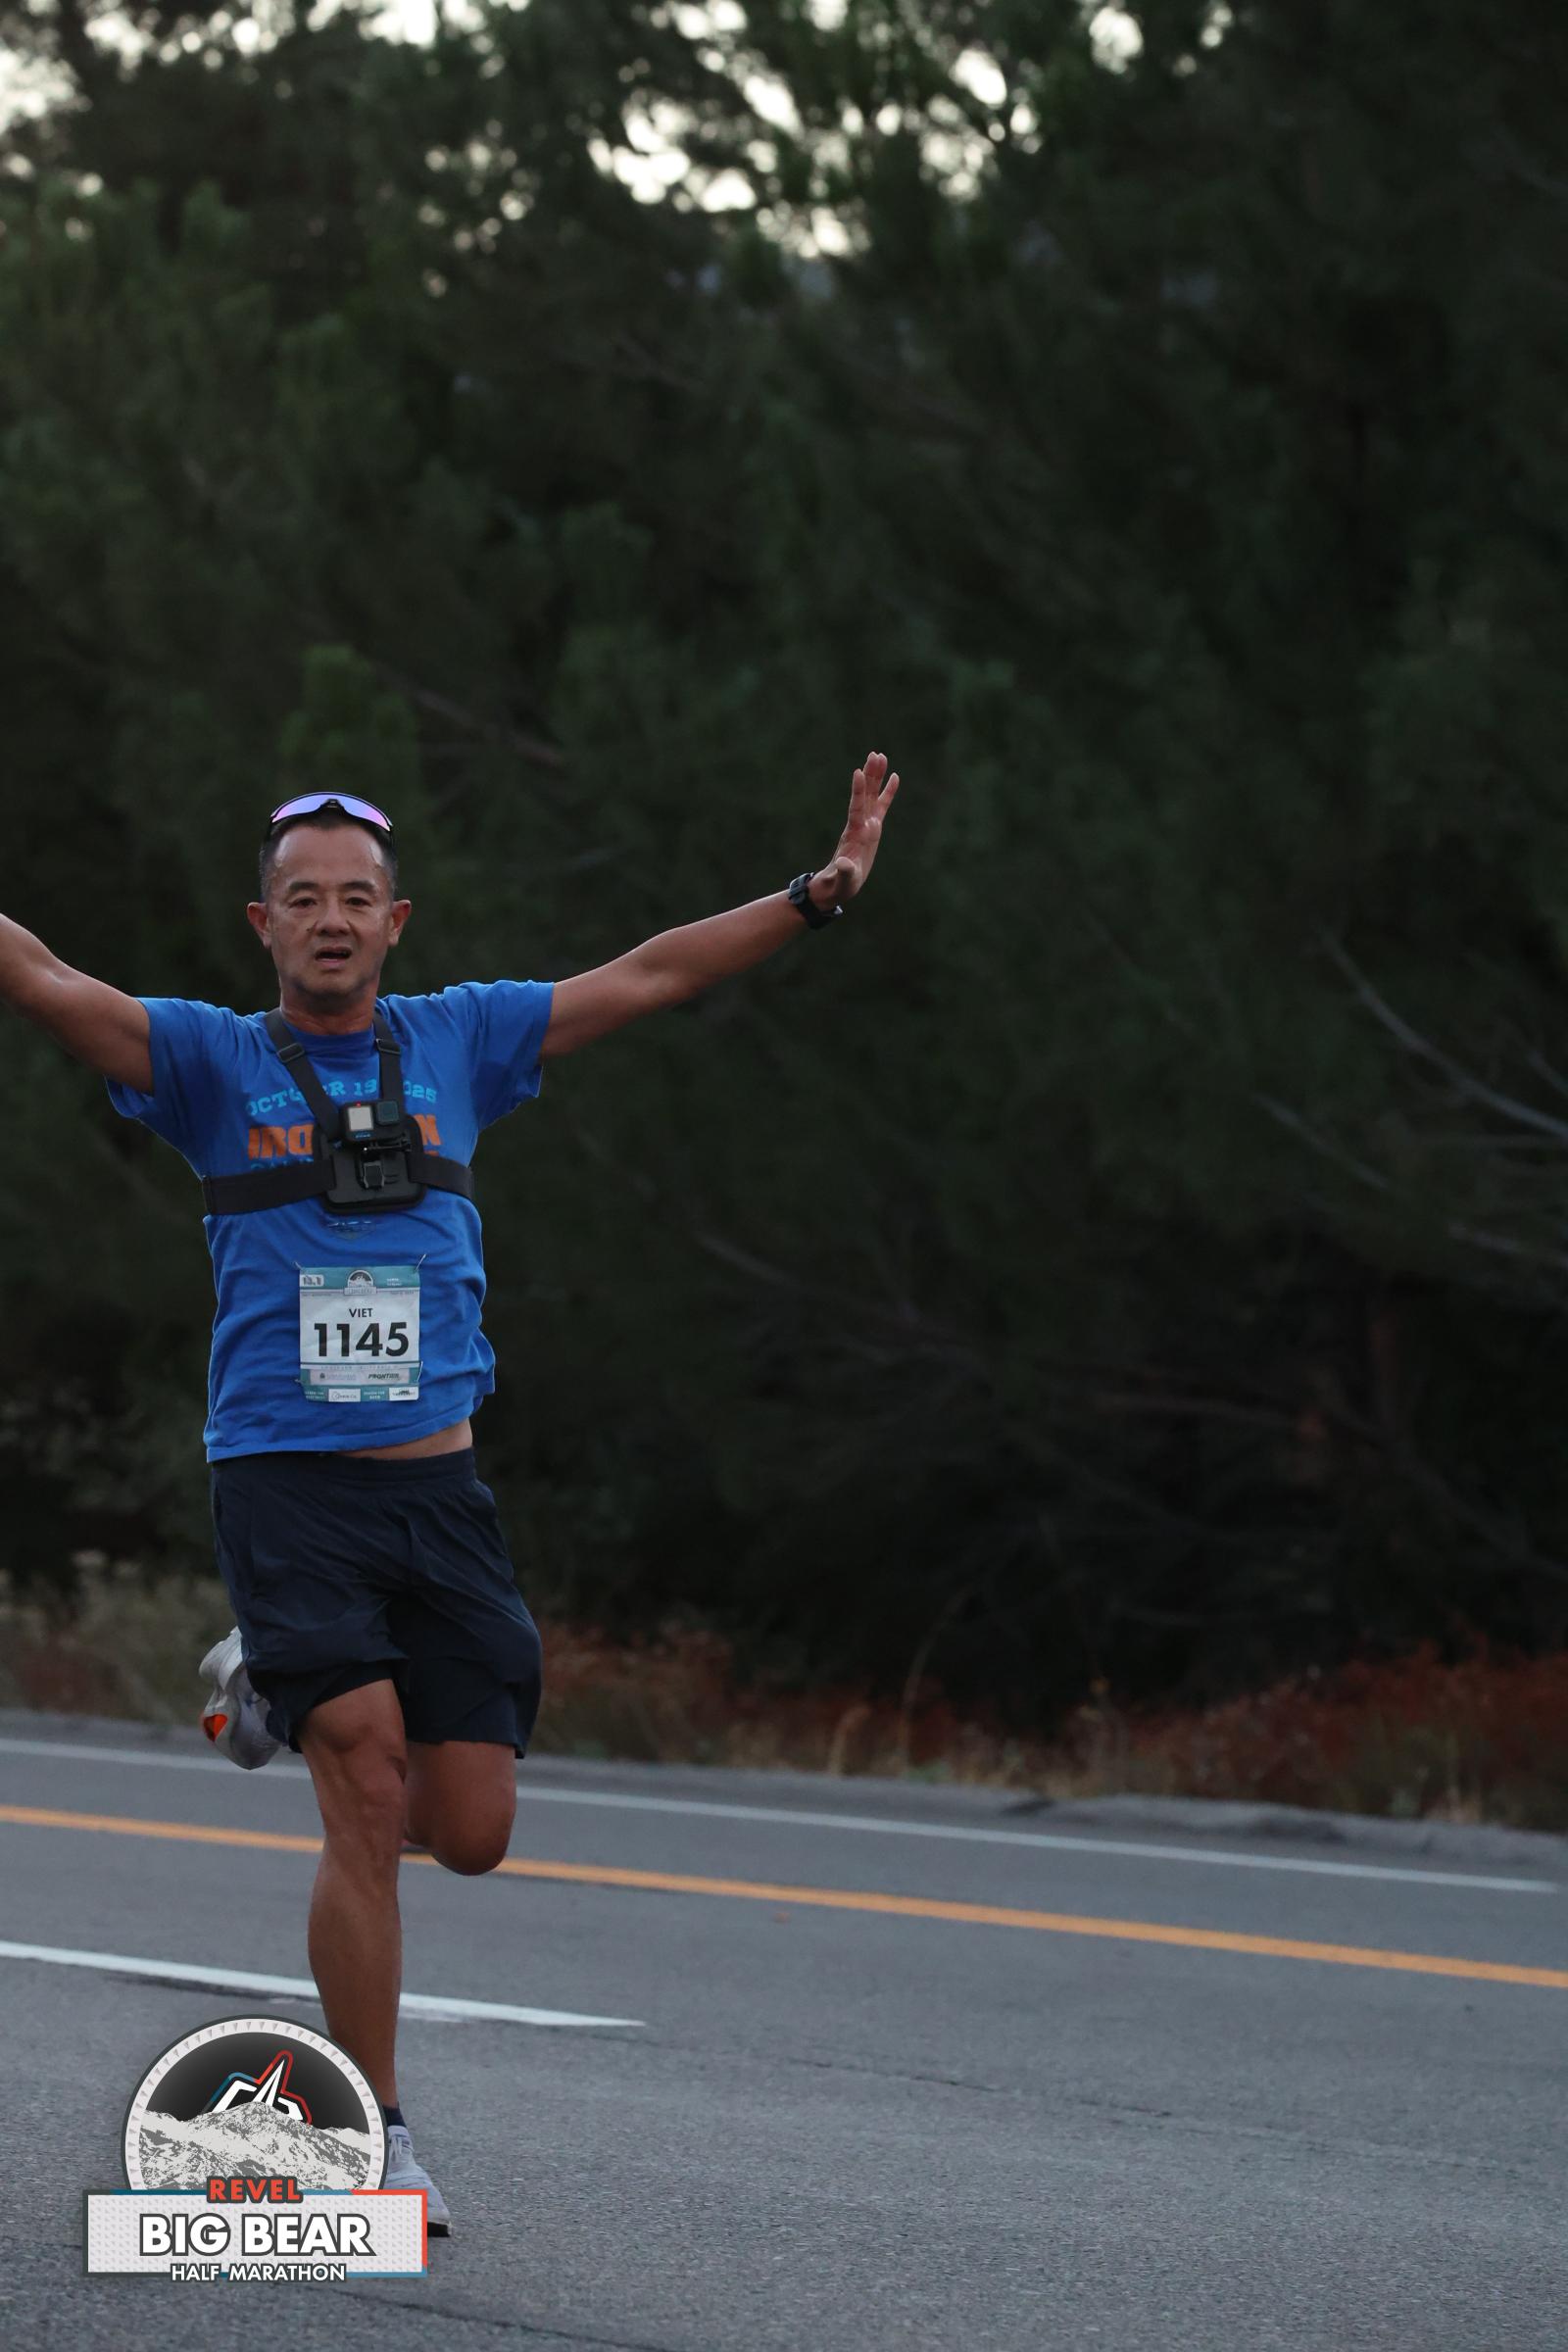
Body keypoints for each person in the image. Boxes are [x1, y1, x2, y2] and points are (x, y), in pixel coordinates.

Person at [0, 753, 899, 2234]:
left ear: (396, 920)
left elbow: (652, 974)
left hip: (438, 1495)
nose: (331, 920)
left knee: (468, 1827)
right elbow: (41, 980)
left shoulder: (465, 1041)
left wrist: (816, 896)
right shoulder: (211, 1064)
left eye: (357, 898)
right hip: (287, 1487)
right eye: (304, 900)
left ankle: (270, 1683)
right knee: (363, 1788)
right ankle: (375, 2139)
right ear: (264, 924)